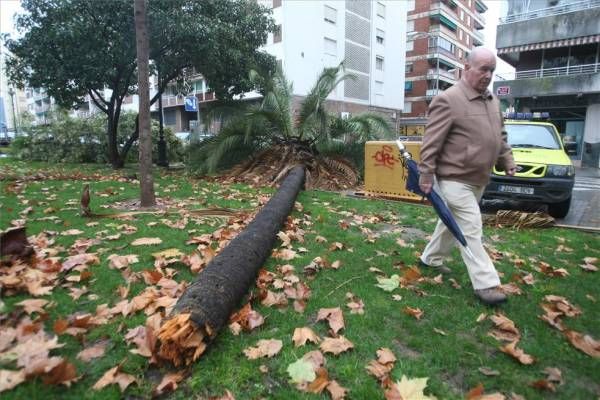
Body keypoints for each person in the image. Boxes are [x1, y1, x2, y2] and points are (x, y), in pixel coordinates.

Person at [418, 47, 516, 306]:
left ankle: (430, 259)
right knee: (471, 227)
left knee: (450, 224)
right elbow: (431, 142)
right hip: (453, 179)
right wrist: (426, 174)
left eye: (492, 70)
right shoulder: (449, 99)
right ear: (467, 69)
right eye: (483, 69)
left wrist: (507, 159)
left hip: (478, 179)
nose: (488, 75)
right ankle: (486, 283)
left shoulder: (493, 101)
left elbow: (500, 136)